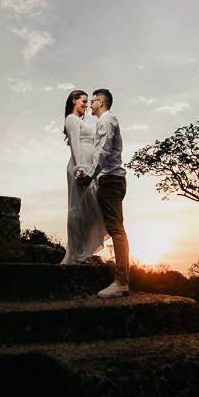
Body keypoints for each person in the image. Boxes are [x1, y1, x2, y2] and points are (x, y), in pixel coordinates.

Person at [84, 87, 129, 298]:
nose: (90, 104)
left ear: (101, 102)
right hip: (110, 180)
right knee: (112, 227)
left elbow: (103, 149)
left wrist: (90, 176)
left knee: (116, 229)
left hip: (111, 181)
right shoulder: (103, 121)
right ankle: (122, 280)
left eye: (93, 101)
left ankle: (121, 281)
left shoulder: (107, 120)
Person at [60, 89, 109, 265]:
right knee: (79, 210)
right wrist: (80, 168)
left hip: (89, 168)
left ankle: (81, 253)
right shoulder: (71, 119)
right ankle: (75, 254)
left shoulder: (81, 121)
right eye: (84, 101)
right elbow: (75, 144)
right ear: (74, 101)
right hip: (79, 167)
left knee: (90, 210)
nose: (87, 105)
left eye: (88, 101)